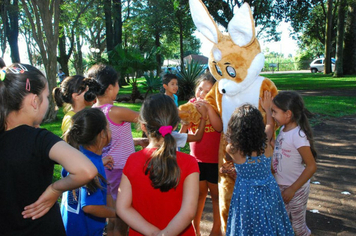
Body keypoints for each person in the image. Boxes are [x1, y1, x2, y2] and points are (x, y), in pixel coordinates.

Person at [0, 63, 97, 235]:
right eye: (46, 97)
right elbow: (87, 170)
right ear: (34, 101)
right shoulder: (40, 139)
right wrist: (55, 189)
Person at [116, 94, 200, 235]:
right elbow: (189, 211)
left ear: (143, 126)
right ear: (174, 125)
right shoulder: (189, 163)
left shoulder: (132, 160)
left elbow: (122, 207)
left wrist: (154, 233)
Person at [88, 63, 146, 236]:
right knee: (122, 218)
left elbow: (112, 141)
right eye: (118, 83)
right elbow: (147, 118)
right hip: (121, 170)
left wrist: (136, 141)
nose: (119, 87)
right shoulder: (116, 111)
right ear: (110, 87)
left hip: (105, 170)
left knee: (112, 216)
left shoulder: (94, 110)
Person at [224, 92, 294, 235]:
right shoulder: (266, 142)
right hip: (269, 190)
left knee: (246, 223)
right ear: (258, 125)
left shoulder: (232, 149)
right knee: (271, 220)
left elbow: (227, 156)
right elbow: (270, 124)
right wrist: (267, 109)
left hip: (245, 194)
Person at [179, 73, 223, 236]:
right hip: (196, 160)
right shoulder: (190, 105)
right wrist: (184, 122)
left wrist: (209, 109)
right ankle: (195, 229)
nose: (202, 94)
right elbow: (182, 133)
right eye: (200, 89)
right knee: (198, 196)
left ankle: (216, 229)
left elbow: (218, 128)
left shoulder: (217, 106)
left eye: (207, 91)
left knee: (217, 196)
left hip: (215, 161)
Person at [61, 108, 117, 236]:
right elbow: (90, 207)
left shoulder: (75, 155)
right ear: (102, 134)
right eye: (108, 128)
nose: (110, 131)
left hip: (68, 227)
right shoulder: (93, 167)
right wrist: (118, 213)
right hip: (85, 231)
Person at [271, 91, 317, 236]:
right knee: (282, 224)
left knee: (298, 228)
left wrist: (292, 189)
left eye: (274, 112)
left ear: (288, 114)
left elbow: (311, 166)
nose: (272, 115)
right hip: (281, 187)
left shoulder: (298, 136)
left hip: (296, 188)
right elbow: (281, 148)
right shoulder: (283, 130)